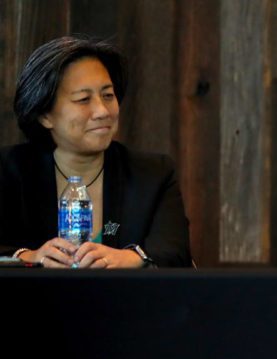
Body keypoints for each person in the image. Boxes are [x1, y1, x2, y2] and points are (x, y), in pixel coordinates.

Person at [0, 36, 192, 268]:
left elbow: (175, 252)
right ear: (45, 115)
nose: (102, 111)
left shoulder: (153, 174)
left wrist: (129, 259)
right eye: (83, 99)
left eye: (108, 96)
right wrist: (28, 256)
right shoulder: (8, 170)